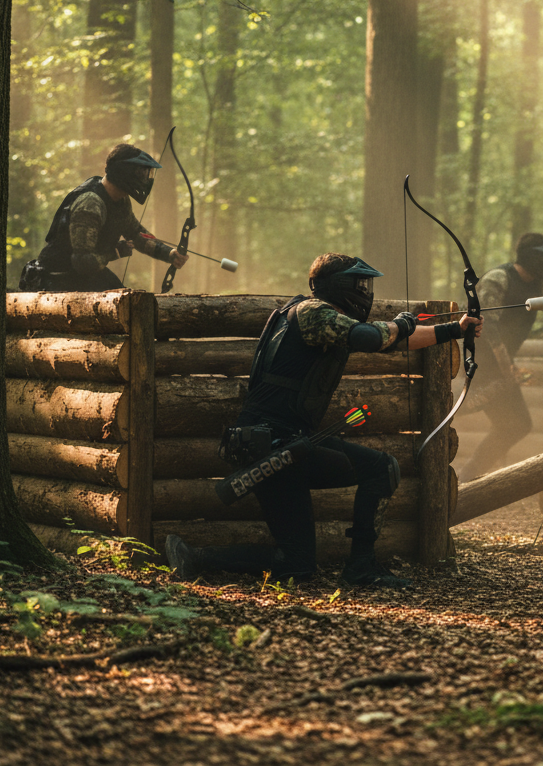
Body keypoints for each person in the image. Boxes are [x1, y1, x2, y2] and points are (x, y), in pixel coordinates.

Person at [165, 252, 484, 590]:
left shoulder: (326, 318)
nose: (366, 290)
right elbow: (370, 337)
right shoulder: (312, 312)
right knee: (379, 470)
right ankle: (196, 557)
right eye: (360, 283)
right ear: (338, 285)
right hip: (271, 450)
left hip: (290, 445)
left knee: (298, 563)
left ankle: (199, 558)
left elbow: (390, 340)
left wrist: (455, 329)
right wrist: (400, 324)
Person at [460, 232, 543, 481]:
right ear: (534, 258)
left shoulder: (536, 289)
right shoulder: (499, 279)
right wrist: (506, 365)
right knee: (451, 410)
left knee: (516, 425)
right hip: (472, 363)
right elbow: (486, 326)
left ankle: (463, 481)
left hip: (500, 369)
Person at [18, 143, 188, 291]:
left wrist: (169, 254)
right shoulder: (91, 203)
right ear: (124, 172)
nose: (144, 179)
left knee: (127, 302)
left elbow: (135, 233)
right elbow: (82, 262)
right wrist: (115, 252)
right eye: (140, 173)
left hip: (84, 274)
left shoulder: (121, 200)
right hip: (57, 277)